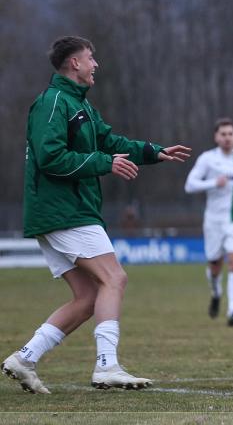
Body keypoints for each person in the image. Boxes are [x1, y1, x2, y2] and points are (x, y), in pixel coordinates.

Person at [2, 36, 190, 393]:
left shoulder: (79, 104)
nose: (96, 65)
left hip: (66, 211)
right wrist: (105, 163)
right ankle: (107, 366)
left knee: (88, 297)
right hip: (65, 210)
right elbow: (50, 158)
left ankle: (25, 358)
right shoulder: (54, 102)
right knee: (114, 279)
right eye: (91, 58)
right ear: (74, 63)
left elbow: (109, 142)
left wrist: (153, 152)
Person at [185, 118, 233, 326]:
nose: (227, 138)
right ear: (216, 137)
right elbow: (190, 185)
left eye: (230, 134)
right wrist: (213, 183)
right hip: (214, 220)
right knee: (215, 265)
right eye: (223, 134)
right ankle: (216, 293)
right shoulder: (207, 159)